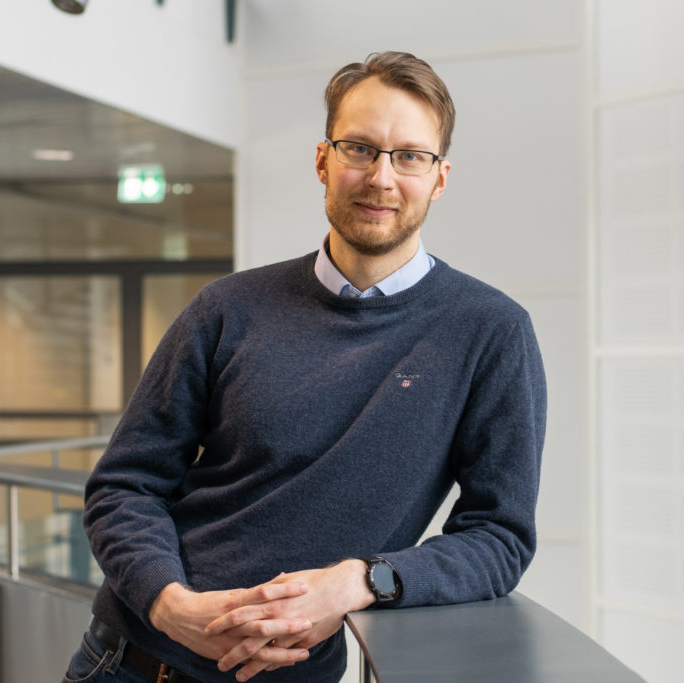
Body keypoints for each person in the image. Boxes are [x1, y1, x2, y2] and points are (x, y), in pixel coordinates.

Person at [63, 51, 547, 683]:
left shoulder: (490, 332)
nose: (381, 177)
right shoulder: (226, 308)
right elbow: (124, 486)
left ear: (440, 178)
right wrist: (168, 604)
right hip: (129, 659)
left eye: (409, 156)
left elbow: (500, 537)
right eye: (360, 149)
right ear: (324, 160)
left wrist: (363, 580)